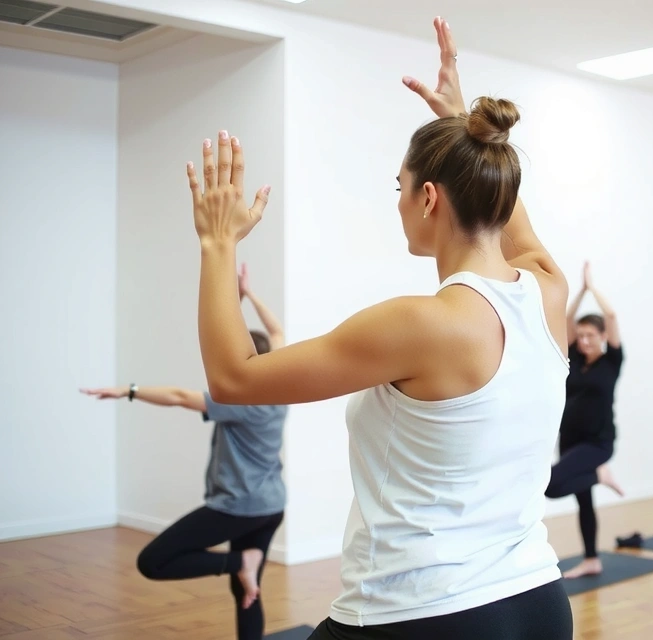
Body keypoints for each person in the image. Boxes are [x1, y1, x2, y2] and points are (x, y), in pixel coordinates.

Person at [182, 16, 574, 640]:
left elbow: (234, 379)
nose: (397, 201)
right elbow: (512, 225)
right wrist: (463, 129)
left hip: (420, 615)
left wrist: (216, 242)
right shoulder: (549, 294)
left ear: (428, 198)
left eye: (401, 187)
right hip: (538, 603)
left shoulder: (421, 324)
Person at [79, 263, 286, 640]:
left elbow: (177, 396)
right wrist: (247, 296)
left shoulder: (239, 401)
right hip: (271, 506)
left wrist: (127, 390)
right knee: (246, 590)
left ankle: (241, 561)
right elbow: (277, 332)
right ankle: (244, 566)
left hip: (238, 505)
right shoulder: (282, 389)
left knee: (153, 561)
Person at [545, 261, 625, 579]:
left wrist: (593, 289)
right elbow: (566, 319)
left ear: (603, 336)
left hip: (598, 442)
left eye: (591, 335)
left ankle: (599, 474)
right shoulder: (575, 358)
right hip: (570, 438)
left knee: (550, 485)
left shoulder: (612, 361)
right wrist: (579, 293)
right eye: (581, 336)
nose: (584, 340)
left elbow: (612, 316)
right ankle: (592, 559)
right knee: (584, 502)